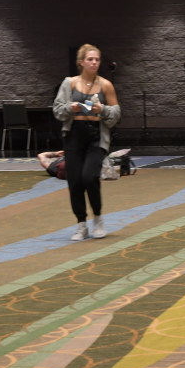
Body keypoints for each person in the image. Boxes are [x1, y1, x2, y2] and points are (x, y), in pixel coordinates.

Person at [53, 44, 121, 241]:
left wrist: (103, 110)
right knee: (75, 181)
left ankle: (98, 218)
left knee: (89, 177)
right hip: (73, 135)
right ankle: (81, 224)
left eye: (97, 59)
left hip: (96, 137)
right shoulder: (69, 83)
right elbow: (57, 109)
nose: (94, 63)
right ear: (81, 62)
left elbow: (116, 112)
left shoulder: (106, 85)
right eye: (90, 59)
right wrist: (71, 108)